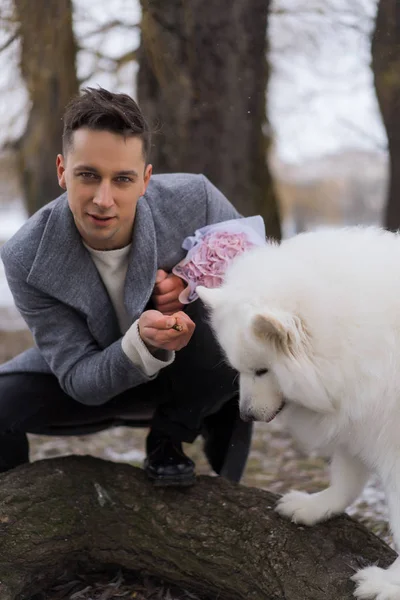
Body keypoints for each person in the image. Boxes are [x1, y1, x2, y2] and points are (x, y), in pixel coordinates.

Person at [0, 87, 251, 487]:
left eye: (122, 179)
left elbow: (262, 282)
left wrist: (193, 282)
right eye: (88, 175)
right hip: (96, 372)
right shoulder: (25, 257)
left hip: (196, 379)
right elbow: (80, 377)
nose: (104, 199)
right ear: (62, 171)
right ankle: (16, 515)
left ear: (145, 180)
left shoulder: (196, 198)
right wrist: (141, 343)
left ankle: (172, 439)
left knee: (228, 321)